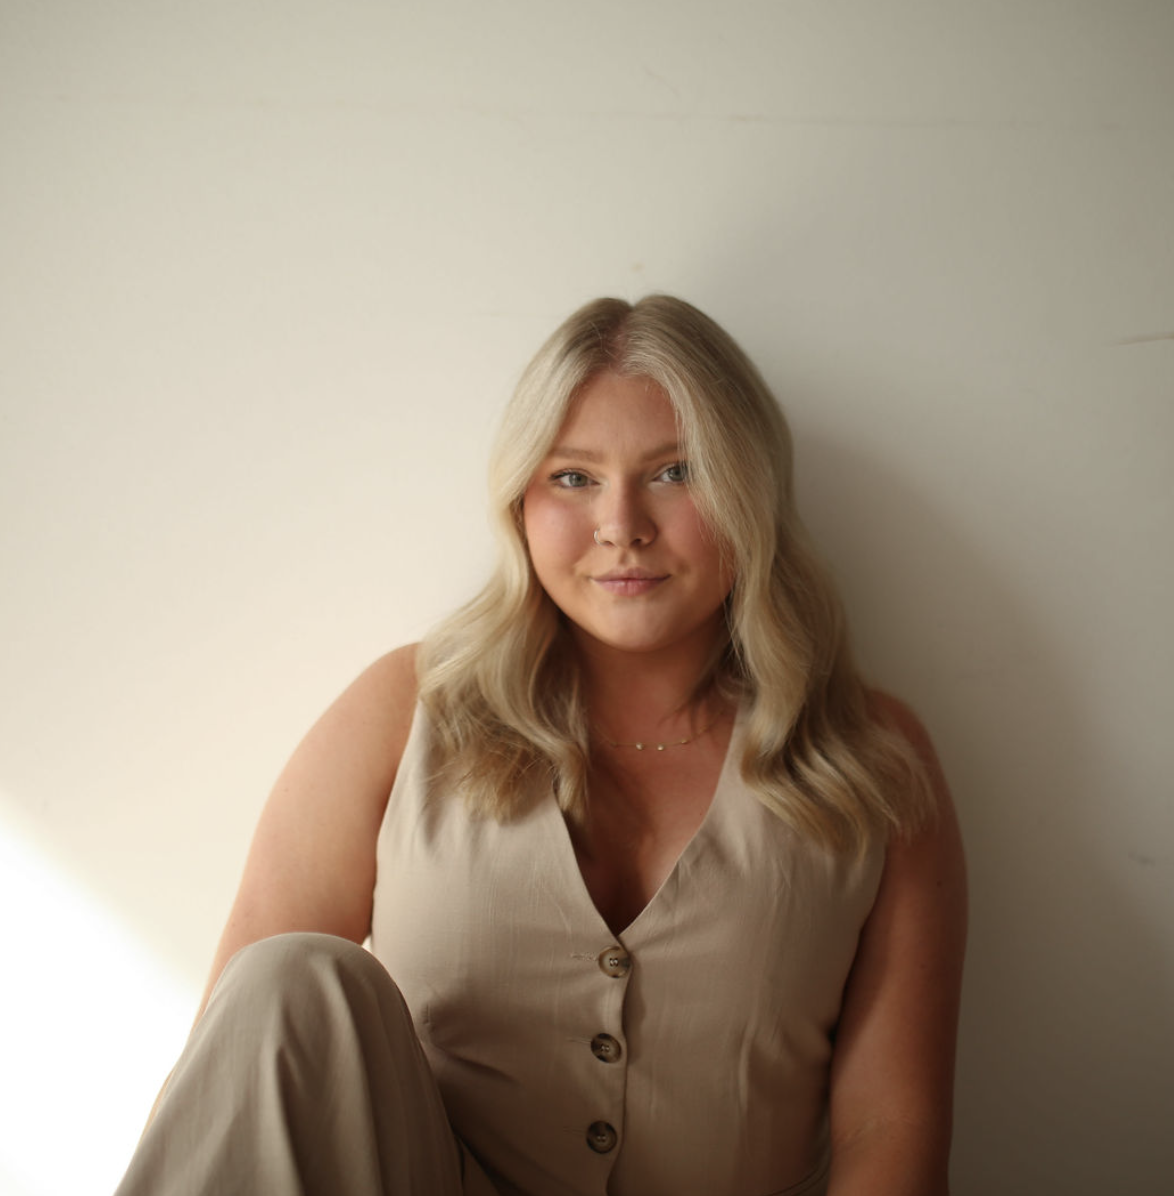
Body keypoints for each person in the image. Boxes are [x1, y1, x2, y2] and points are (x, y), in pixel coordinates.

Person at [115, 295, 967, 1196]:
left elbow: (890, 1127)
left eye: (676, 472)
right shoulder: (404, 710)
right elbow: (237, 1061)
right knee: (288, 980)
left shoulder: (869, 760)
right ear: (519, 497)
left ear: (749, 489)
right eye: (572, 477)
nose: (621, 524)